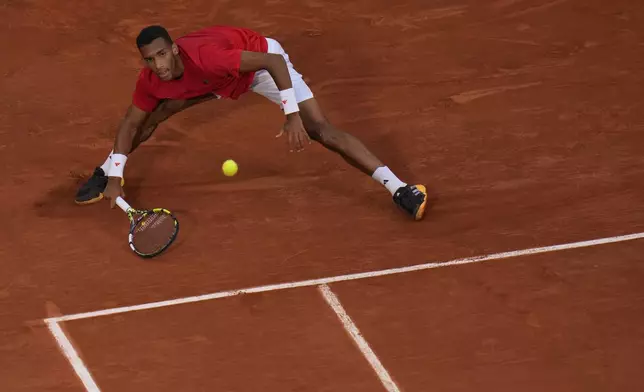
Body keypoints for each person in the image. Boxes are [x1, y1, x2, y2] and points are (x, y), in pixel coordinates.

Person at [74, 25, 428, 220]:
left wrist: (291, 115)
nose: (158, 65)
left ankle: (399, 189)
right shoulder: (152, 79)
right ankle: (104, 172)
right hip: (216, 83)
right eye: (150, 59)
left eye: (163, 54)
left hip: (258, 67)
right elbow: (130, 123)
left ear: (175, 50)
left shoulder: (208, 59)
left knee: (320, 129)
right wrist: (117, 175)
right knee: (154, 115)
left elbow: (273, 63)